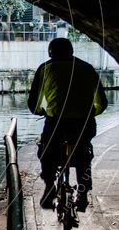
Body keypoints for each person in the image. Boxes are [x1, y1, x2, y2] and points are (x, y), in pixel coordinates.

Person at [28, 38, 108, 213]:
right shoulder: (87, 68)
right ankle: (83, 194)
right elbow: (102, 103)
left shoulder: (45, 68)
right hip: (83, 123)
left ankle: (49, 187)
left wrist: (42, 111)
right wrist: (90, 112)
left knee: (46, 150)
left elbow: (33, 104)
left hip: (56, 123)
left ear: (50, 52)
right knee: (84, 153)